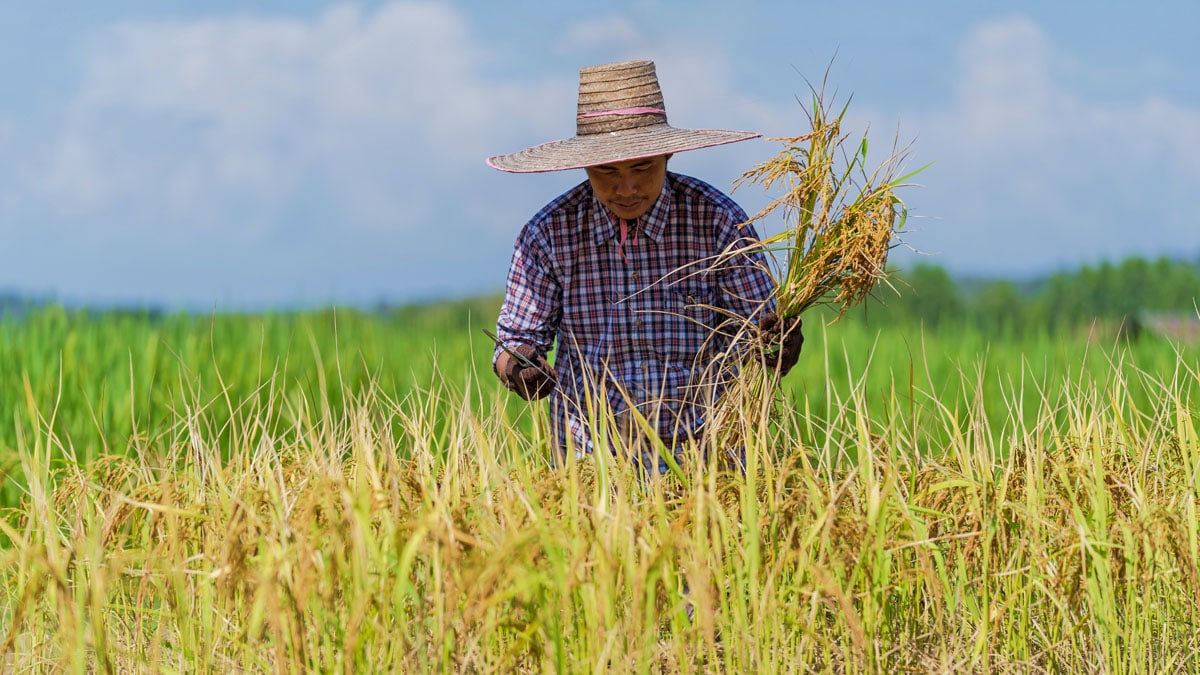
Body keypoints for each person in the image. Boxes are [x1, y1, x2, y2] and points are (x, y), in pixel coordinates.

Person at [486, 60, 803, 473]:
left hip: (709, 459)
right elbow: (514, 341)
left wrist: (778, 346)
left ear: (667, 154)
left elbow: (762, 330)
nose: (627, 188)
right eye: (607, 172)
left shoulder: (717, 222)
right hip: (591, 461)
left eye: (642, 167)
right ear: (583, 166)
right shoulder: (548, 234)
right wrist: (519, 367)